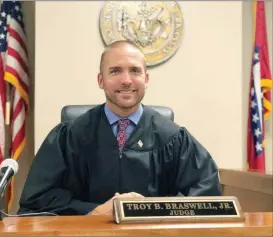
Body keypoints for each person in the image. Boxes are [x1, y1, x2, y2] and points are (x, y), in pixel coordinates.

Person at [18, 40, 222, 216]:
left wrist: (151, 210)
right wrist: (93, 212)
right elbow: (36, 200)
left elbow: (208, 197)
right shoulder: (71, 136)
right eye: (115, 71)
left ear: (146, 79)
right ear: (101, 80)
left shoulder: (174, 138)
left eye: (135, 70)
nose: (126, 80)